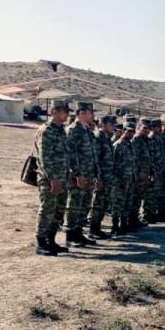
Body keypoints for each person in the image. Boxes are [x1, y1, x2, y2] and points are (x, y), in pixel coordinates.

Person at [34, 100, 71, 256]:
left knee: (59, 210)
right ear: (54, 112)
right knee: (47, 209)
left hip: (62, 178)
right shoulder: (47, 130)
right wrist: (53, 179)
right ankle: (41, 242)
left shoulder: (61, 130)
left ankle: (51, 240)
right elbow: (45, 158)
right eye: (64, 111)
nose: (67, 114)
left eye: (67, 111)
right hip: (50, 179)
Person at [65, 101, 100, 246]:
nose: (93, 115)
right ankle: (71, 235)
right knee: (75, 204)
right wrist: (77, 174)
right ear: (81, 113)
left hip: (88, 175)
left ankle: (79, 233)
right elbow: (71, 154)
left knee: (84, 204)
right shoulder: (74, 130)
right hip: (78, 176)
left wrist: (95, 174)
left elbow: (92, 155)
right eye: (91, 112)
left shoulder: (87, 131)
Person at [89, 114, 116, 238]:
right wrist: (98, 178)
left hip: (107, 177)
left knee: (103, 203)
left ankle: (97, 227)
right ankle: (93, 229)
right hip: (101, 177)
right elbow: (96, 160)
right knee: (97, 203)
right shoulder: (98, 137)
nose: (114, 127)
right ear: (102, 125)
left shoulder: (107, 138)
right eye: (111, 124)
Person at [110, 123, 135, 236]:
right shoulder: (118, 145)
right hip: (120, 180)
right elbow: (114, 164)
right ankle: (115, 226)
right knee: (117, 203)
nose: (131, 133)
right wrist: (117, 179)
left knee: (127, 203)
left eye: (132, 131)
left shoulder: (130, 144)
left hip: (130, 179)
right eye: (129, 131)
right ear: (123, 131)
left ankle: (124, 224)